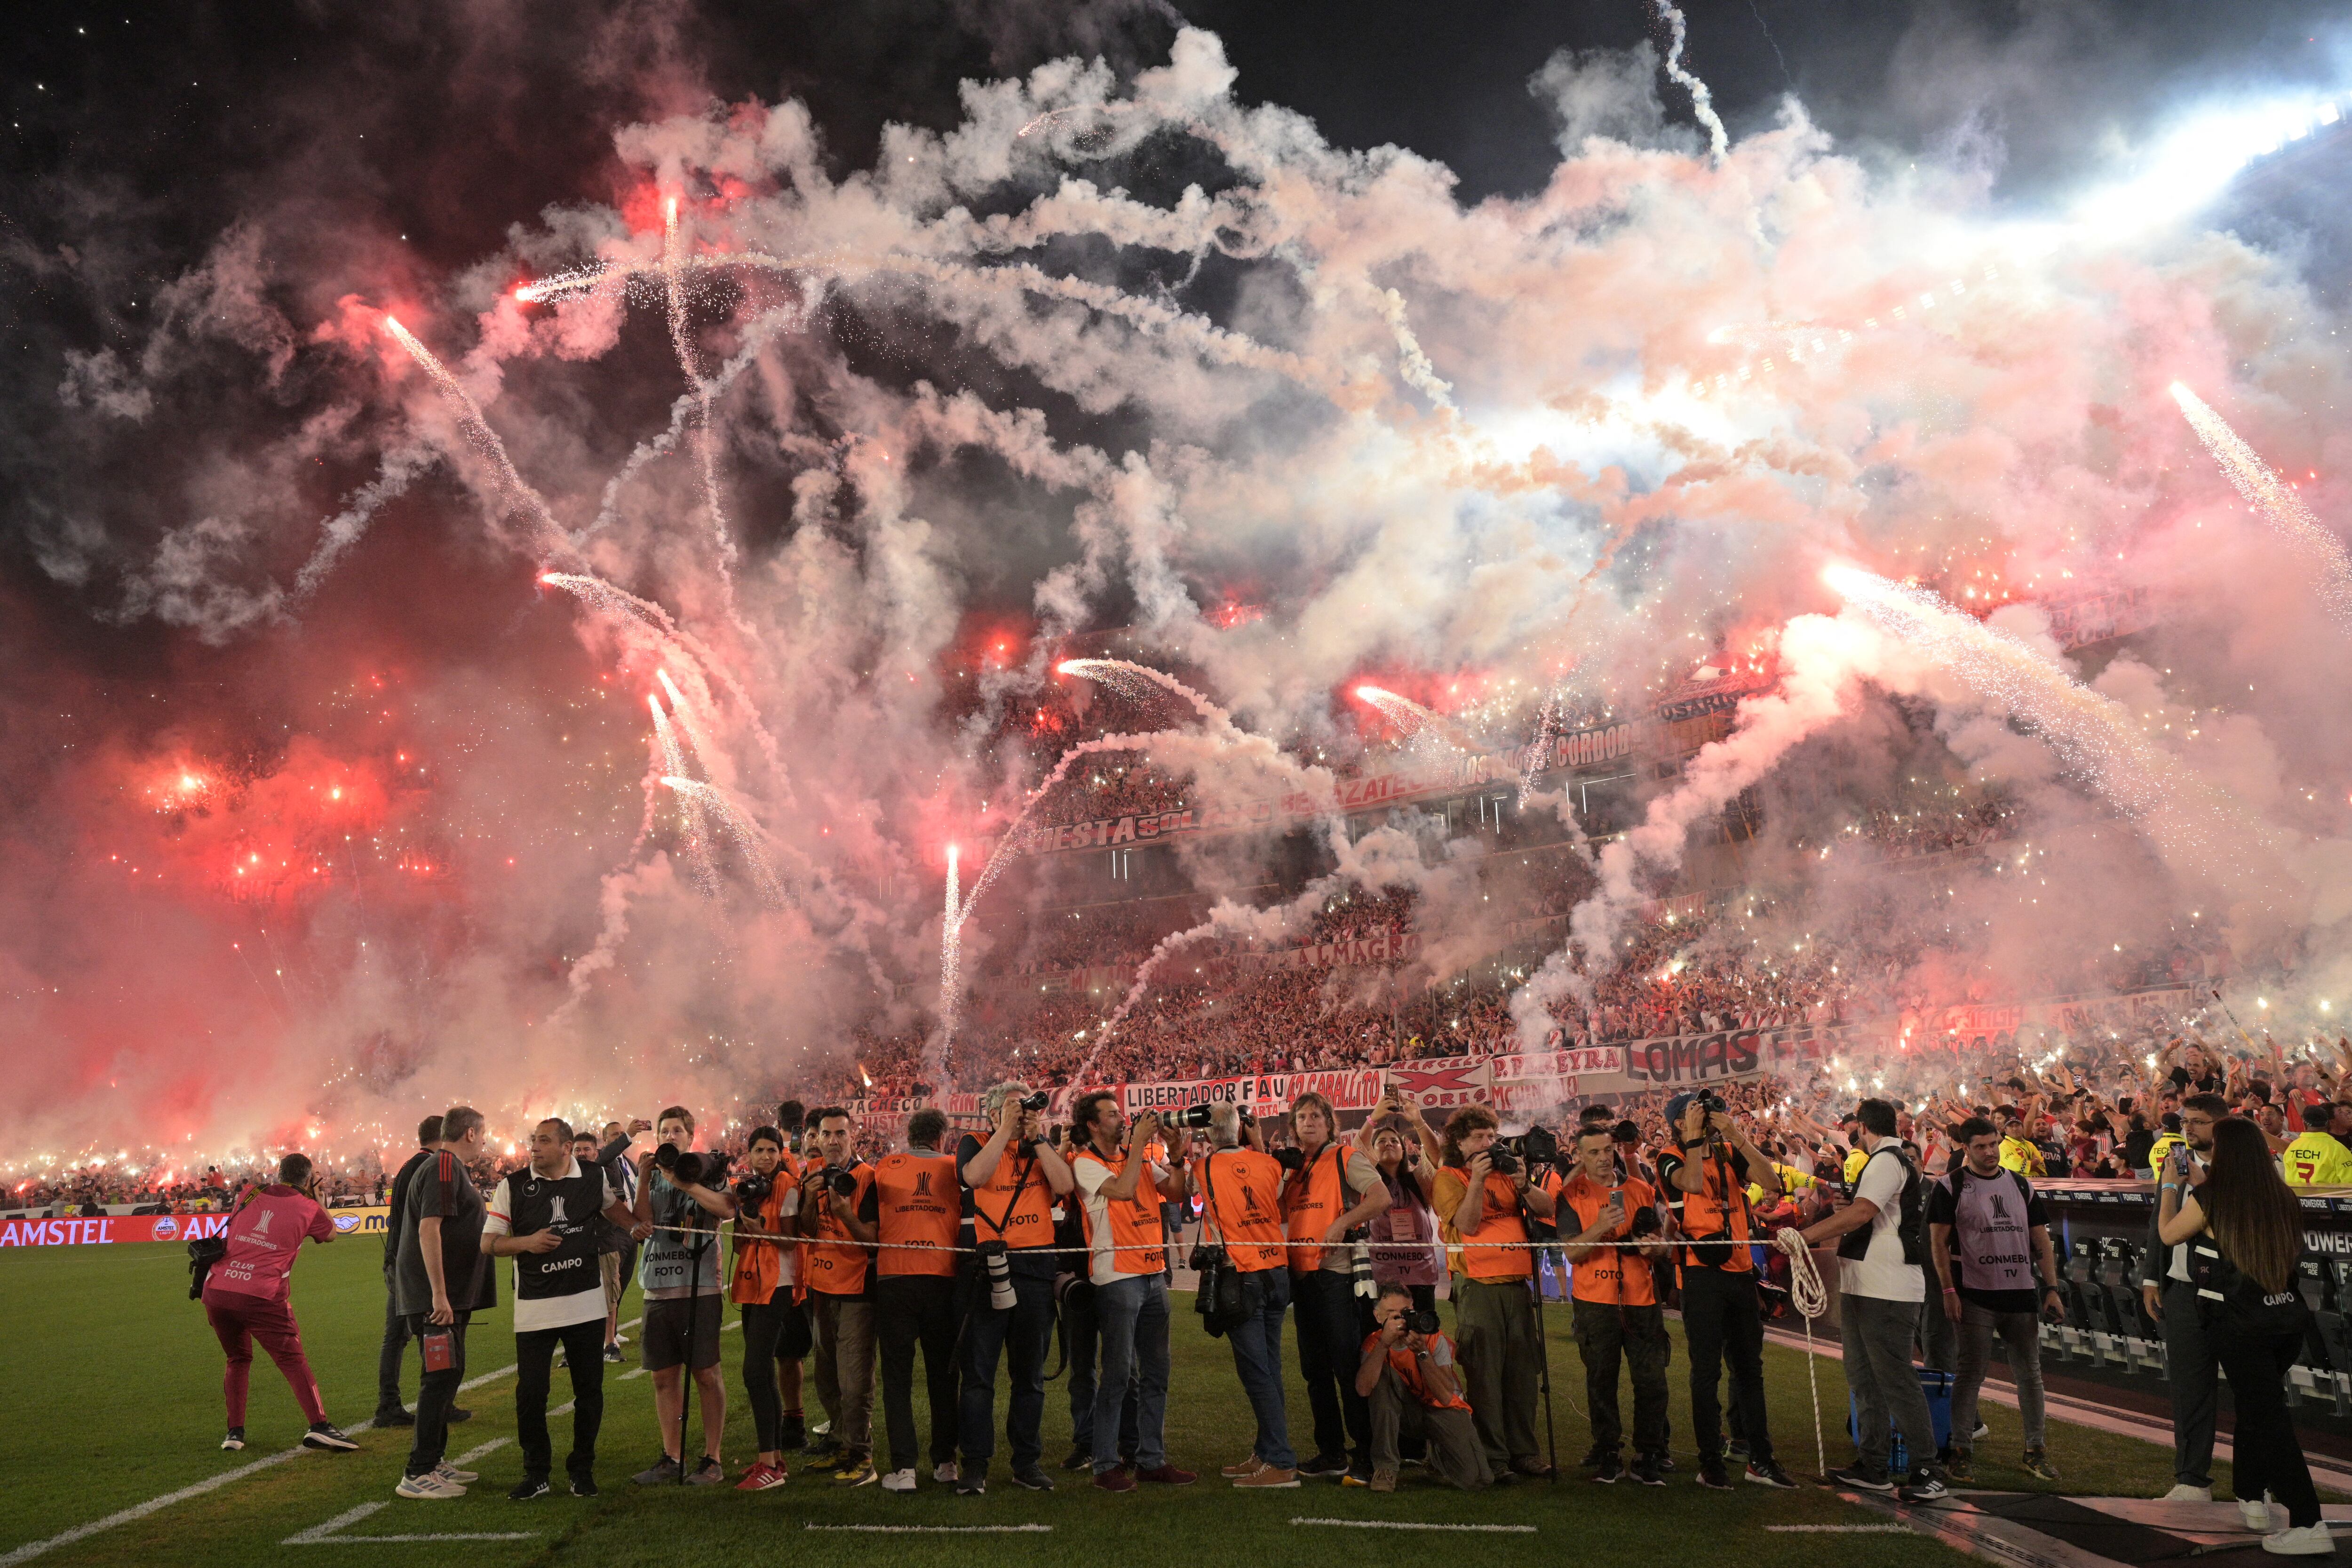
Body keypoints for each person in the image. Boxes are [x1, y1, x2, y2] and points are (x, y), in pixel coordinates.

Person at [2159, 1117, 2330, 1555]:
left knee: (2269, 1419)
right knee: (2257, 1408)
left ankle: (2309, 1522)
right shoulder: (2281, 1195)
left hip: (2237, 1324)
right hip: (2285, 1322)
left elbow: (2168, 1233)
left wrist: (2170, 1189)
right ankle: (2252, 1497)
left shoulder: (2214, 1197)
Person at [482, 1117, 642, 1500]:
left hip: (586, 1304)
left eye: (543, 1141)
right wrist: (527, 1242)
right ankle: (536, 1471)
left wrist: (636, 1226)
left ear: (567, 1147)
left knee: (589, 1391)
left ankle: (581, 1468)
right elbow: (489, 1243)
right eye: (533, 1140)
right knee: (531, 1394)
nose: (534, 1147)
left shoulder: (591, 1176)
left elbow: (613, 1209)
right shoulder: (514, 1185)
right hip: (534, 1307)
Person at [1799, 1099, 1943, 1501]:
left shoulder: (1885, 1160)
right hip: (1868, 1284)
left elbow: (1862, 1213)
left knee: (1894, 1378)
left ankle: (1927, 1468)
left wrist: (1806, 1235)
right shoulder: (1887, 1159)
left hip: (1888, 1286)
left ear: (1861, 1127)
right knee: (1864, 1379)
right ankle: (1873, 1464)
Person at [1656, 1090, 1796, 1489]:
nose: (1703, 1114)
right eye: (1693, 1112)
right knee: (1706, 1371)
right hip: (1701, 1275)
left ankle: (1760, 1458)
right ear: (1679, 1123)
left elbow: (1772, 1182)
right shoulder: (1669, 1156)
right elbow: (1695, 1185)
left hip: (1739, 1271)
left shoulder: (1726, 1151)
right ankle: (1710, 1462)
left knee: (1750, 1368)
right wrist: (1699, 1139)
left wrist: (1737, 1135)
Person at [1069, 1091, 1196, 1492]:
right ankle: (1106, 1463)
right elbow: (1123, 1191)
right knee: (1120, 1374)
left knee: (1157, 1373)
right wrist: (1141, 1143)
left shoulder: (1139, 1153)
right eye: (1111, 1114)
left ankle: (1150, 1459)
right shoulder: (1085, 1163)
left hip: (1154, 1271)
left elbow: (1176, 1193)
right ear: (1092, 1124)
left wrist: (1176, 1156)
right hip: (1117, 1276)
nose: (1122, 1119)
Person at [1927, 1116, 2064, 1485]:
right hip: (1974, 1294)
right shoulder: (1949, 1186)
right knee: (1971, 1373)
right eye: (1981, 1146)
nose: (1990, 1152)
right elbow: (1938, 1243)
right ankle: (1960, 1451)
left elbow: (2042, 1242)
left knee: (2030, 1374)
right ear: (1966, 1148)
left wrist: (2051, 1287)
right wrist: (1948, 1290)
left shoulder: (2021, 1184)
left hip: (2020, 1292)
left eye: (1994, 1144)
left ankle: (2036, 1449)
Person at [955, 1082, 1073, 1496]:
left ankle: (1026, 1461)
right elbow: (974, 1177)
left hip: (1036, 1269)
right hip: (988, 1267)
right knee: (978, 1376)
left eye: (1023, 1108)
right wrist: (1005, 1131)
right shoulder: (974, 1142)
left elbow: (1065, 1185)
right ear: (991, 1115)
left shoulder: (1038, 1146)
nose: (1020, 1114)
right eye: (1010, 1109)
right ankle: (975, 1463)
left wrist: (1037, 1137)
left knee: (1030, 1377)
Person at [201, 1152, 358, 1455]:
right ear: (309, 1178)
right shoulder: (308, 1207)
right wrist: (318, 1197)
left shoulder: (249, 1192)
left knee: (237, 1359)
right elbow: (331, 1235)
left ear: (279, 1172)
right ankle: (320, 1426)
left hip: (218, 1289)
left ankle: (234, 1434)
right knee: (292, 1360)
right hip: (262, 1293)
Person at [1432, 1104, 1556, 1483]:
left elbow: (1548, 1208)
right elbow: (1468, 1224)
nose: (1489, 1143)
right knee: (1485, 1376)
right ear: (1460, 1142)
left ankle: (1525, 1452)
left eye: (1492, 1136)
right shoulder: (1448, 1176)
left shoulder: (1506, 1172)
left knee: (1522, 1374)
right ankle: (1494, 1457)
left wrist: (1523, 1183)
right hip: (1478, 1285)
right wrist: (1477, 1181)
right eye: (1480, 1137)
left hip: (1518, 1284)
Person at [852, 1108, 964, 1493]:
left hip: (896, 1277)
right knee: (943, 1376)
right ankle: (947, 1462)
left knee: (897, 1379)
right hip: (942, 1277)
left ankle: (904, 1470)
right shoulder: (954, 1167)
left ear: (910, 1135)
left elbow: (869, 1226)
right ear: (942, 1138)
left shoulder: (885, 1166)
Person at [1282, 1091, 1390, 1484]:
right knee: (1315, 1371)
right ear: (1292, 1127)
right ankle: (1331, 1452)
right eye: (1301, 1117)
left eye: (1316, 1116)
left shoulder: (1345, 1156)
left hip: (1336, 1275)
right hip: (1303, 1277)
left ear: (1330, 1124)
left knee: (1346, 1366)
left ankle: (1365, 1453)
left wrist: (1344, 1222)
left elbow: (1381, 1196)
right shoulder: (1294, 1168)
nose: (1308, 1122)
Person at [1556, 1125, 1669, 1485]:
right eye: (1594, 1152)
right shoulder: (1571, 1194)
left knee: (1651, 1380)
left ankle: (1649, 1452)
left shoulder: (1641, 1189)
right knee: (1601, 1380)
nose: (1604, 1157)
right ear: (1580, 1156)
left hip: (1641, 1299)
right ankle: (1607, 1452)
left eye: (1608, 1149)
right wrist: (1599, 1226)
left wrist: (1657, 1248)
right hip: (1594, 1302)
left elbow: (1663, 1244)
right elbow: (1572, 1251)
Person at [630, 1106, 736, 1486]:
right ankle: (671, 1456)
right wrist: (644, 1181)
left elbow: (726, 1207)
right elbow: (642, 1223)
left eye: (677, 1130)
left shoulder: (705, 1169)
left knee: (706, 1373)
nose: (670, 1136)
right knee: (663, 1376)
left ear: (690, 1136)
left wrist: (684, 1182)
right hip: (658, 1285)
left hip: (700, 1284)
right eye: (665, 1130)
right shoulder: (651, 1174)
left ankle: (712, 1458)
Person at [393, 1106, 495, 1498]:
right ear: (469, 1133)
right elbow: (428, 1229)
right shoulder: (443, 1167)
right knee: (438, 1377)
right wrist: (439, 1293)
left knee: (449, 1373)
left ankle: (433, 1461)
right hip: (436, 1300)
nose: (485, 1140)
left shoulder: (448, 1166)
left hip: (446, 1297)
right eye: (483, 1133)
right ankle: (417, 1472)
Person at [1198, 1102, 1301, 1487]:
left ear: (1209, 1134)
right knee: (1270, 1368)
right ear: (1242, 1129)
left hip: (1243, 1275)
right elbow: (1269, 1183)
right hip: (1277, 1270)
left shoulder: (1204, 1166)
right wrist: (1256, 1143)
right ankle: (1266, 1450)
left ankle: (1281, 1459)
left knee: (1256, 1371)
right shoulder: (1268, 1162)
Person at [2139, 1092, 2228, 1502]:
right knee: (2189, 1387)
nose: (2189, 1128)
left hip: (2231, 1291)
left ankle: (2259, 1482)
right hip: (2182, 1289)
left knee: (2251, 1388)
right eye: (2186, 1121)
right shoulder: (2174, 1163)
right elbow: (2160, 1219)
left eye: (2198, 1121)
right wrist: (2151, 1279)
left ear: (2221, 1125)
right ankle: (2192, 1478)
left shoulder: (2242, 1166)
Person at [797, 1106, 879, 1486]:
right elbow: (806, 1232)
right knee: (826, 1376)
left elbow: (874, 1242)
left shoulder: (868, 1178)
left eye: (840, 1134)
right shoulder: (810, 1175)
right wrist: (811, 1200)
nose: (832, 1140)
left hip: (857, 1290)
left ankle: (861, 1454)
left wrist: (845, 1212)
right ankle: (840, 1442)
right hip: (821, 1288)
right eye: (826, 1134)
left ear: (853, 1135)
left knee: (854, 1379)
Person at [728, 1125, 805, 1491]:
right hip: (752, 1282)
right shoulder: (750, 1187)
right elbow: (739, 1244)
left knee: (755, 1371)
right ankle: (774, 1459)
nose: (765, 1157)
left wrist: (759, 1227)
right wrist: (745, 1226)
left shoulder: (788, 1185)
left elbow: (790, 1240)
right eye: (758, 1150)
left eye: (771, 1150)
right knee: (762, 1373)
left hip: (778, 1283)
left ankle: (768, 1463)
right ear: (749, 1154)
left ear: (780, 1152)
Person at [1357, 1282, 1489, 1492]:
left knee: (1476, 1479)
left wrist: (1422, 1352)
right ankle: (1385, 1468)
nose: (1400, 1320)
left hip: (1441, 1409)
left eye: (1405, 1313)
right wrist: (1384, 1344)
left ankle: (1436, 1455)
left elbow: (1446, 1397)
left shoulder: (1434, 1337)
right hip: (1405, 1412)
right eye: (1391, 1314)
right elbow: (1363, 1390)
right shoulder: (1374, 1343)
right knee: (1380, 1376)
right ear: (1378, 1317)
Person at [373, 1117, 444, 1428]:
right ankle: (440, 1401)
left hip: (398, 1260)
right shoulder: (429, 1167)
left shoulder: (408, 1166)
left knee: (397, 1335)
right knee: (432, 1329)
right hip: (414, 1264)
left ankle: (388, 1405)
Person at [2280, 1104, 2352, 1187]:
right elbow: (2350, 1183)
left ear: (2304, 1124)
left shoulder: (2292, 1148)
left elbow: (2290, 1184)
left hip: (2300, 1198)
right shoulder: (2337, 1149)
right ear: (2328, 1123)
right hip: (2330, 1199)